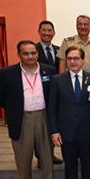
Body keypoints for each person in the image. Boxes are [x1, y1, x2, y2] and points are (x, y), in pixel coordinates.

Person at [0, 40, 58, 179]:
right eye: (26, 53)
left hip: (44, 117)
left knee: (46, 156)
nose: (30, 57)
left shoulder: (49, 70)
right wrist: (15, 108)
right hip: (21, 119)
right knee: (23, 159)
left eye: (33, 53)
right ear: (19, 54)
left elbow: (54, 94)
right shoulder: (7, 73)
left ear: (37, 53)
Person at [48, 46, 90, 179]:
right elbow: (52, 108)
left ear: (83, 60)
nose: (73, 62)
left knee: (87, 164)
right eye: (69, 58)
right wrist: (54, 131)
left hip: (86, 130)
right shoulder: (57, 80)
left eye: (76, 58)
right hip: (66, 131)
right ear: (66, 61)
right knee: (69, 164)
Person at [56, 14, 90, 163]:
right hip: (70, 85)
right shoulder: (68, 42)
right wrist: (63, 85)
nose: (83, 27)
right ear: (76, 26)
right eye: (80, 24)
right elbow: (62, 64)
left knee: (89, 116)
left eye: (85, 24)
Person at [35, 20, 62, 165]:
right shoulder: (33, 50)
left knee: (52, 125)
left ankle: (50, 155)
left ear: (54, 32)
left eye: (49, 30)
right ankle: (41, 157)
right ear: (39, 32)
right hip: (39, 95)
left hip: (56, 93)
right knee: (40, 128)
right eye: (44, 30)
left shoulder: (59, 50)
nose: (47, 33)